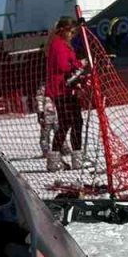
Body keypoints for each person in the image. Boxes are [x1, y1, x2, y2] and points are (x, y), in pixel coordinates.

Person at [45, 17, 86, 171]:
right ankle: (58, 158)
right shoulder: (58, 44)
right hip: (61, 90)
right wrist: (78, 65)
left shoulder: (62, 44)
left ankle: (70, 157)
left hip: (65, 89)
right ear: (63, 30)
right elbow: (63, 65)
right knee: (70, 122)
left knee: (71, 122)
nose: (72, 34)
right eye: (71, 31)